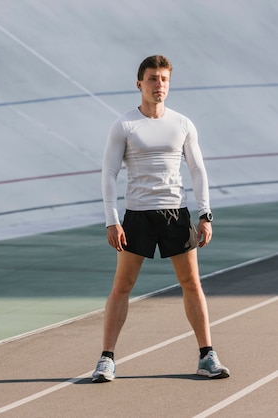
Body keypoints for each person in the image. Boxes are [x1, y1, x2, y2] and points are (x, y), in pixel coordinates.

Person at [92, 55, 230, 383]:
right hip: (137, 216)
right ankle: (106, 359)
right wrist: (112, 220)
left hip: (175, 215)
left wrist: (205, 215)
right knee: (122, 287)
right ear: (139, 83)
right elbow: (109, 173)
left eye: (164, 79)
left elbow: (197, 170)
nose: (159, 85)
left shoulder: (182, 124)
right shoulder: (124, 125)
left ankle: (206, 356)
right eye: (153, 79)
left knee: (192, 284)